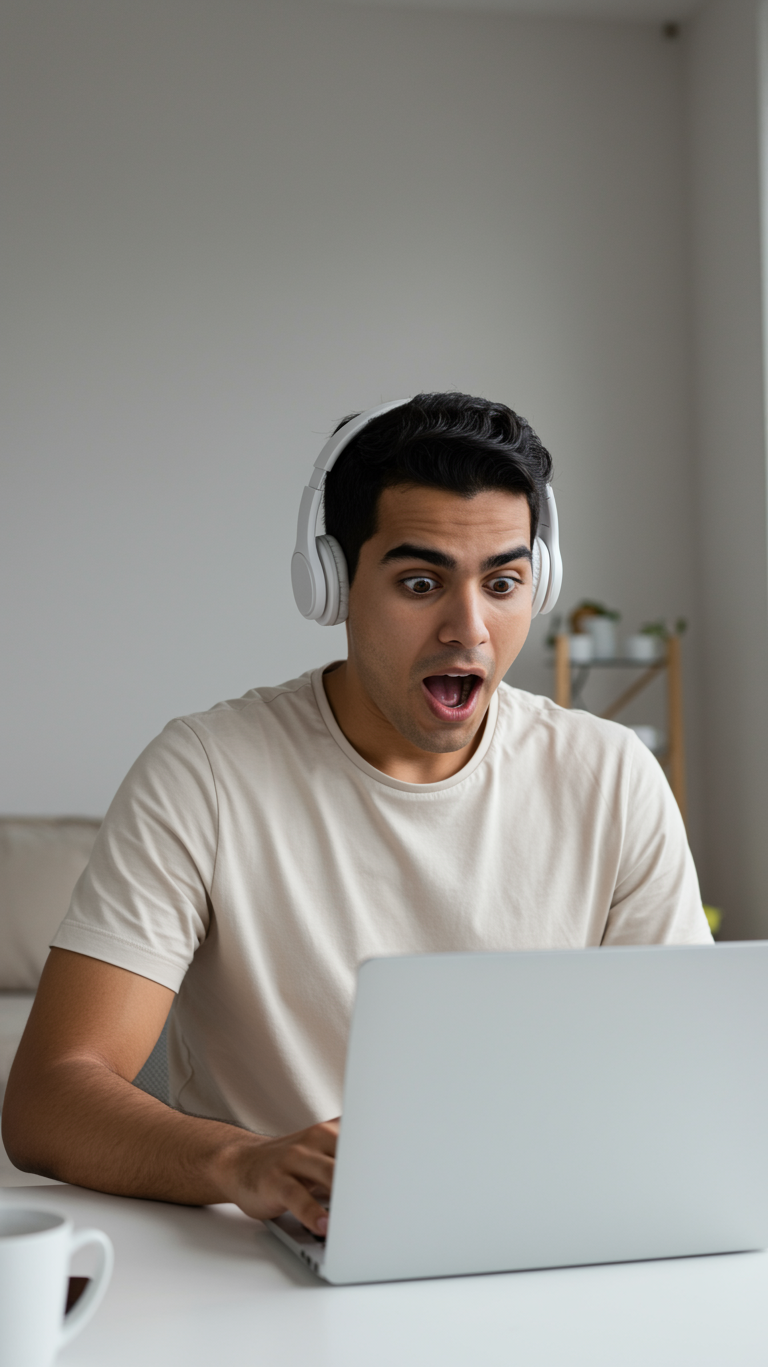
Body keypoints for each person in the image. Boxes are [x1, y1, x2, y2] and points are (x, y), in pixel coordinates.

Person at [3, 392, 711, 1236]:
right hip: (282, 1250)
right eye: (421, 582)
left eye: (505, 582)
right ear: (332, 584)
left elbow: (685, 1086)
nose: (469, 630)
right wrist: (244, 1162)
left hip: (546, 1235)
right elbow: (50, 1098)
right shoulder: (205, 773)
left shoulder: (613, 776)